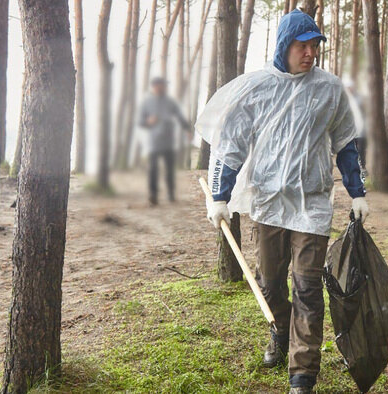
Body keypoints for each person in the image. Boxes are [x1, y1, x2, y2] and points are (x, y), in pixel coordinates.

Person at [196, 10, 368, 394]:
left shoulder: (330, 89)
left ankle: (302, 373)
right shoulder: (258, 88)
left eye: (314, 46)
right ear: (284, 46)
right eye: (301, 45)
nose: (309, 53)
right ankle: (280, 331)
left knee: (307, 286)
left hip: (312, 205)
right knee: (270, 283)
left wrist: (358, 192)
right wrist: (220, 197)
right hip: (269, 203)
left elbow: (345, 144)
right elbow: (231, 146)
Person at [138, 77, 191, 205]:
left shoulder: (170, 102)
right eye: (158, 85)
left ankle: (171, 193)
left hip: (168, 141)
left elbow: (179, 116)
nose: (160, 87)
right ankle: (153, 195)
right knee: (153, 169)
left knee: (169, 169)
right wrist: (148, 122)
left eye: (162, 85)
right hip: (153, 142)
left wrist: (187, 129)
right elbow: (140, 122)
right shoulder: (147, 103)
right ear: (153, 87)